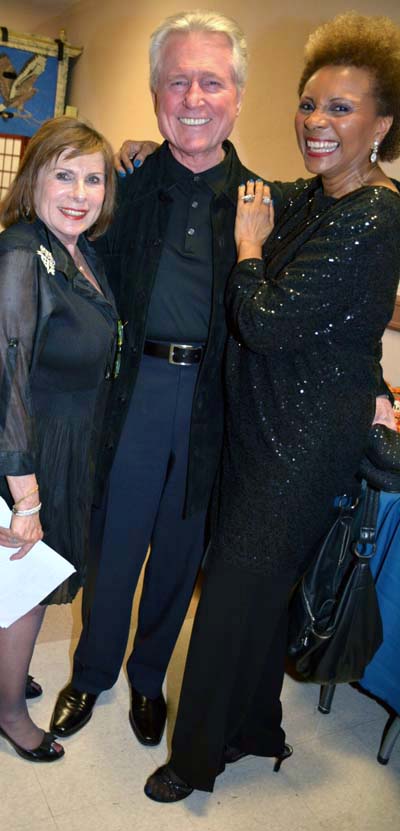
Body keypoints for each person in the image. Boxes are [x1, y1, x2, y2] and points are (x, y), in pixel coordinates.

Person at [143, 11, 400, 801]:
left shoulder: (374, 212)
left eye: (341, 108)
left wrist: (251, 246)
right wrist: (153, 153)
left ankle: (194, 760)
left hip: (300, 444)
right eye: (309, 104)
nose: (317, 123)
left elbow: (266, 319)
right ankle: (256, 727)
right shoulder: (319, 196)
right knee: (256, 599)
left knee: (226, 601)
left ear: (383, 124)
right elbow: (243, 185)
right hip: (263, 431)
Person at [50, 10, 259, 746]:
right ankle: (93, 671)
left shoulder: (267, 203)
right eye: (178, 81)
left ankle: (147, 678)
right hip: (132, 394)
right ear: (154, 91)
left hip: (211, 408)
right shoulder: (123, 187)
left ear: (237, 93)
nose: (193, 97)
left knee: (178, 553)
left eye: (211, 80)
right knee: (115, 543)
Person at [0, 116, 118, 762]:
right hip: (30, 448)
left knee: (29, 584)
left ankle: (6, 675)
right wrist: (25, 494)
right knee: (24, 587)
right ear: (35, 178)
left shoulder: (77, 249)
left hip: (70, 439)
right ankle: (10, 710)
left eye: (93, 178)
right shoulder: (22, 251)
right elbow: (7, 371)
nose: (79, 192)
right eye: (64, 174)